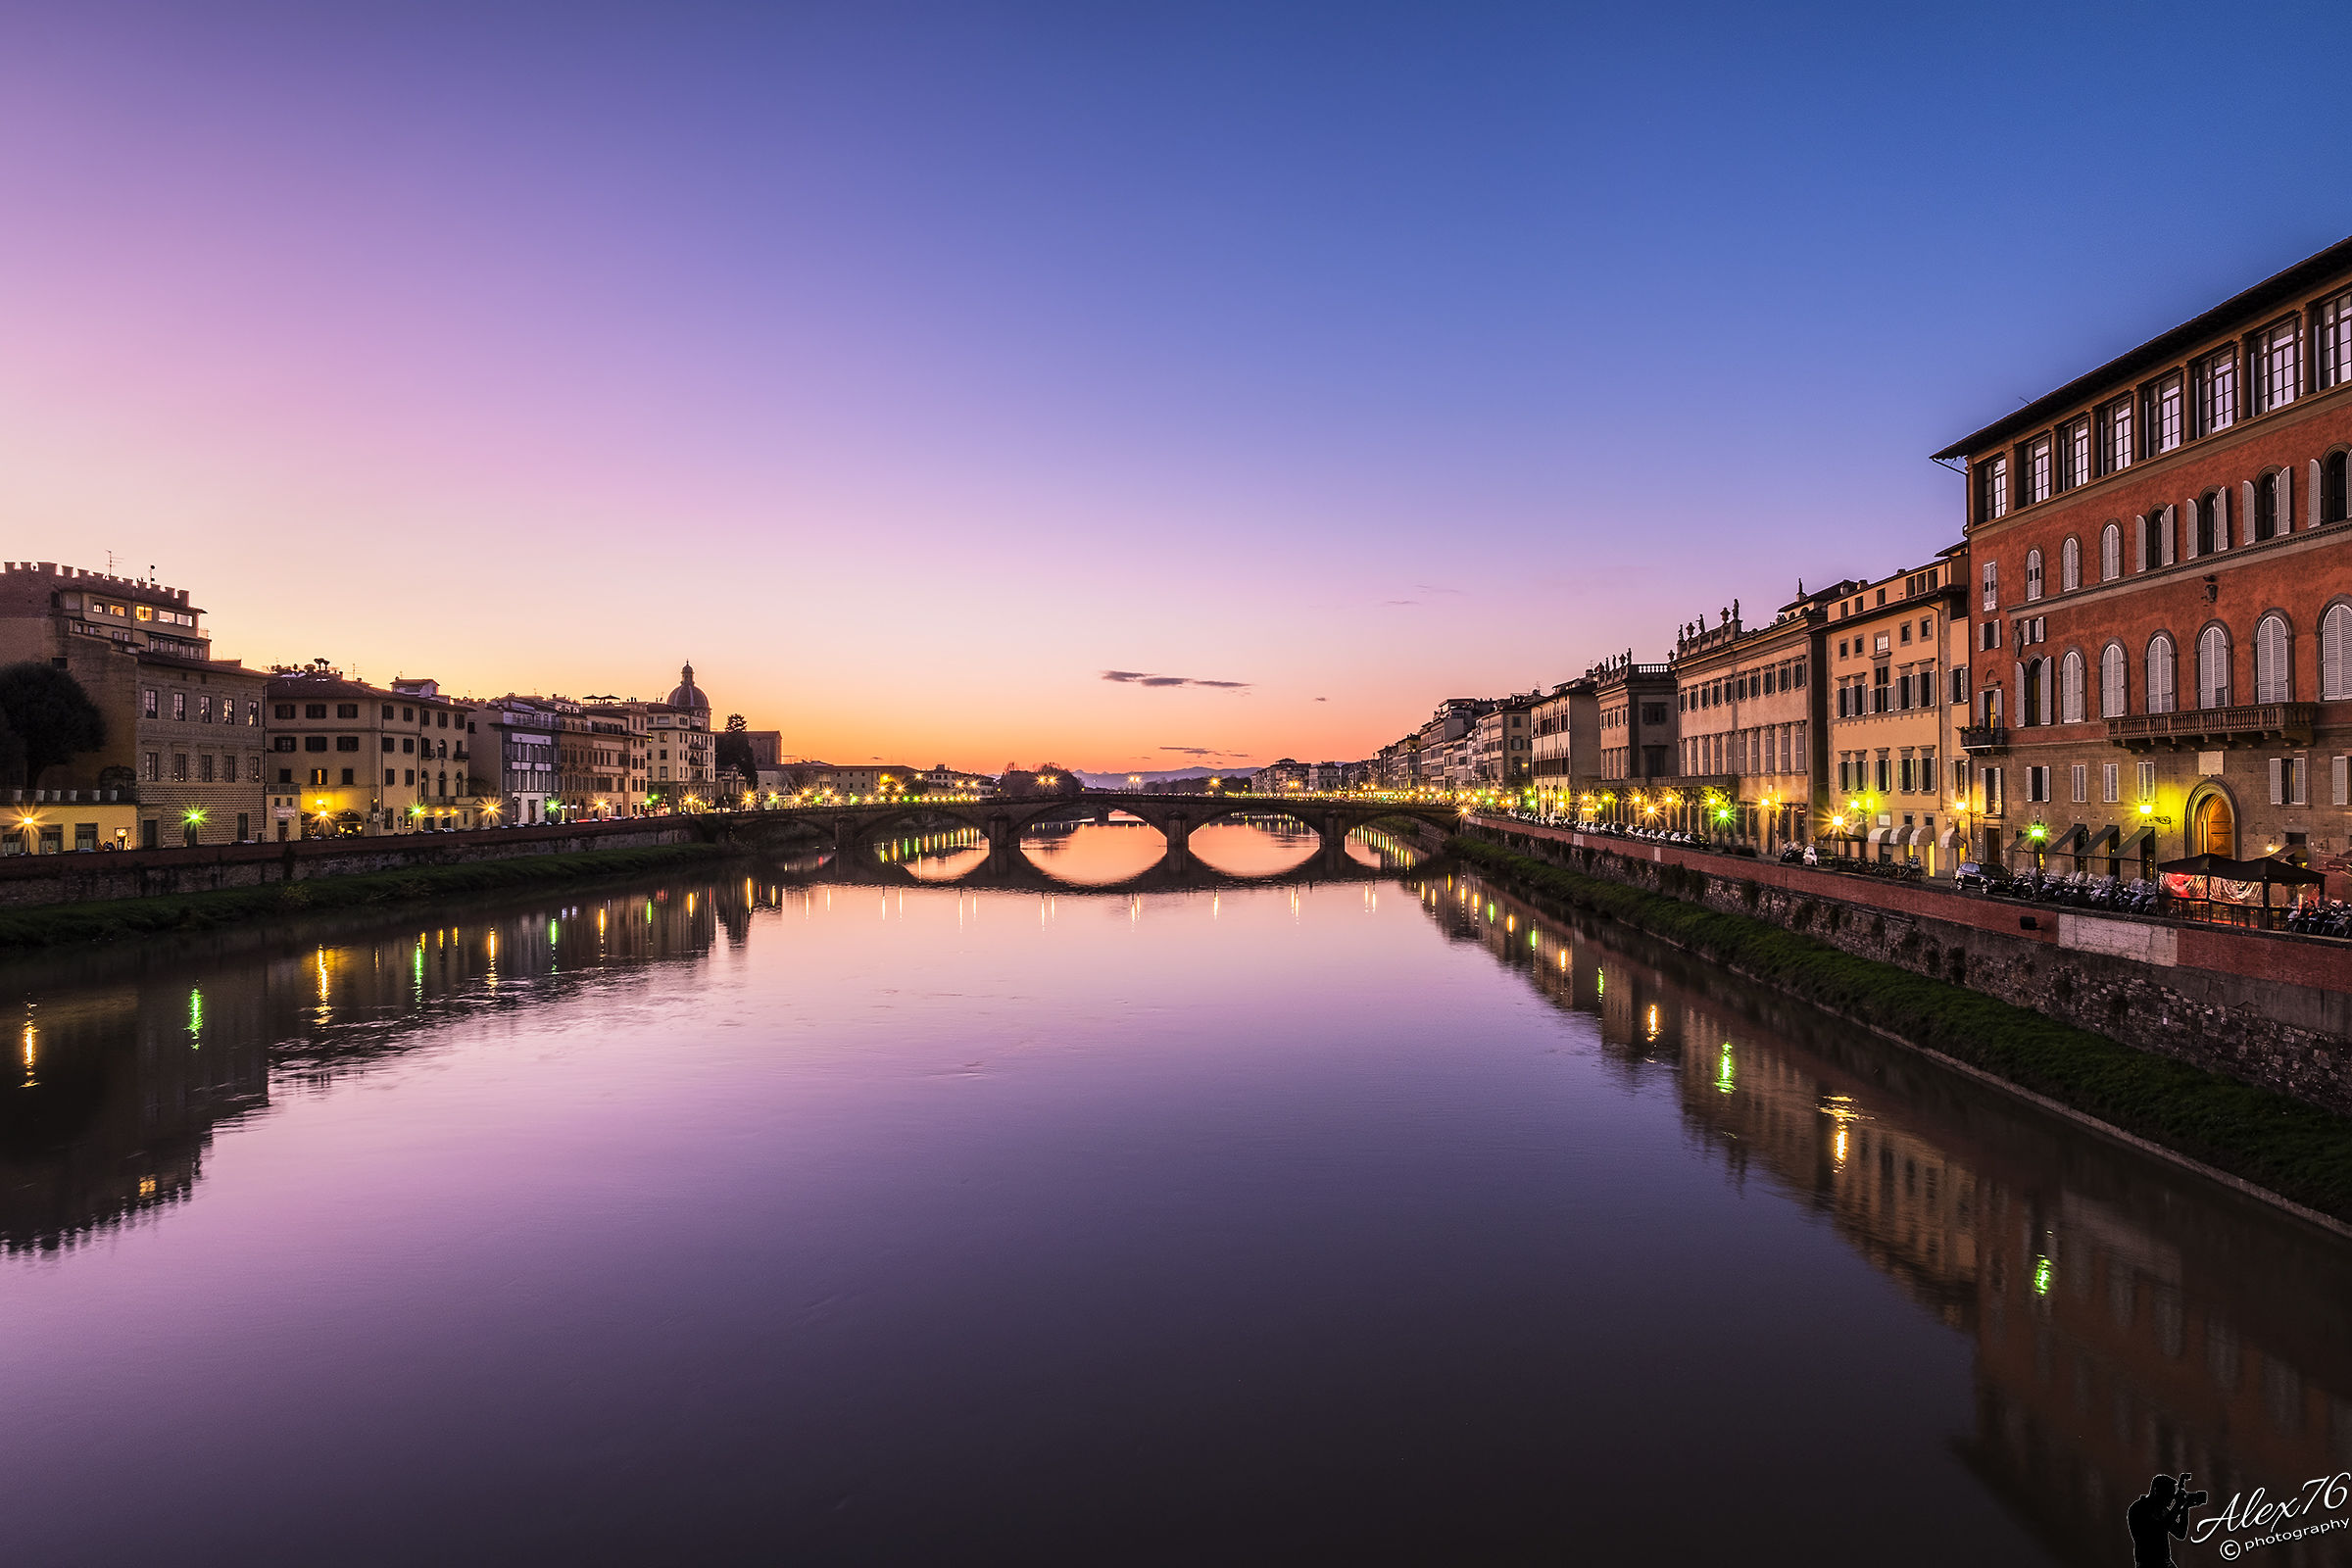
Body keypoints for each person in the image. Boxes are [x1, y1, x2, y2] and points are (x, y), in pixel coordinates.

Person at [2126, 1474, 2188, 1567]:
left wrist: (2185, 1508)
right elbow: (2158, 1530)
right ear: (2156, 1491)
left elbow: (2180, 1533)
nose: (2172, 1498)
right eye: (2169, 1494)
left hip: (2164, 1562)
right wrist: (2178, 1505)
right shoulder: (2139, 1508)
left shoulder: (2162, 1510)